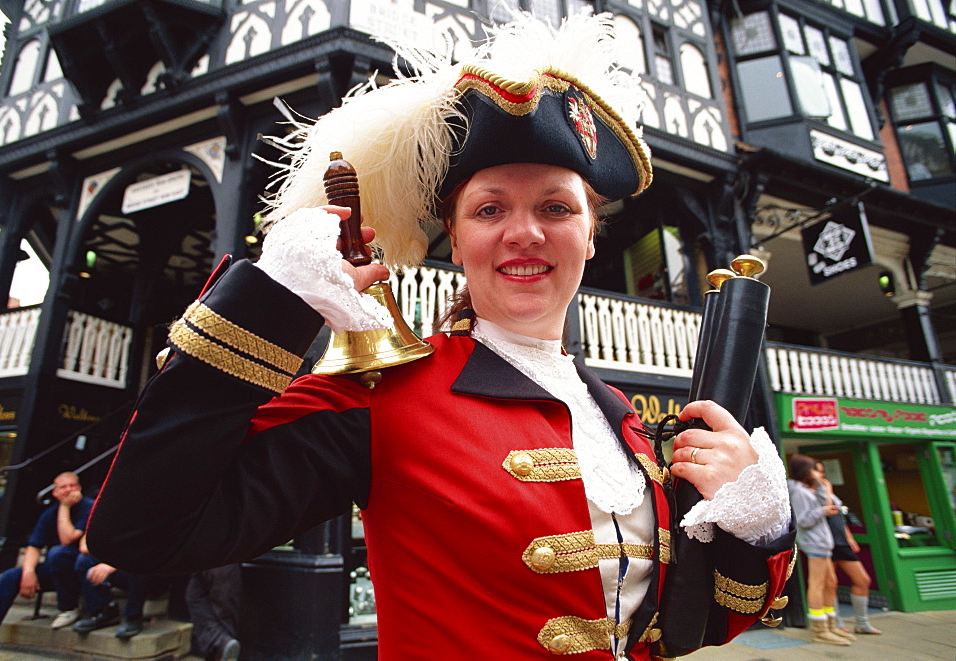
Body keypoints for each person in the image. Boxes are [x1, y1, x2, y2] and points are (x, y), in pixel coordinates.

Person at [86, 13, 795, 660]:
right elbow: (144, 532)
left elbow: (691, 625)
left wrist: (756, 520)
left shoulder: (623, 422)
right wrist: (270, 302)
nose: (525, 231)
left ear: (588, 236)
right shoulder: (383, 394)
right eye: (491, 209)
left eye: (555, 206)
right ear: (455, 241)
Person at [0, 472, 93, 660]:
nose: (69, 490)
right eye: (63, 487)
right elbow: (34, 546)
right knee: (10, 577)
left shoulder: (89, 507)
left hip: (82, 570)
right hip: (56, 570)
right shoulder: (48, 514)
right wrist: (28, 572)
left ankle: (68, 607)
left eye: (73, 486)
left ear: (79, 488)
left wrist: (64, 507)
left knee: (57, 554)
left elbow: (67, 538)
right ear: (54, 492)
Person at [787, 455, 851, 646]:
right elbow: (803, 520)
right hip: (815, 543)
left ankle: (831, 624)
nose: (820, 473)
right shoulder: (798, 492)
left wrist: (824, 487)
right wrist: (823, 511)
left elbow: (827, 502)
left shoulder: (808, 490)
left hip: (823, 542)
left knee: (831, 582)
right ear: (806, 470)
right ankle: (820, 629)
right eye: (816, 470)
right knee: (817, 584)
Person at [815, 462, 882, 635]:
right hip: (825, 541)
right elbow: (827, 508)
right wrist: (827, 489)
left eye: (822, 471)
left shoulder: (825, 490)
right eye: (817, 471)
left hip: (840, 541)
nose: (821, 475)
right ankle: (835, 621)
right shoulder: (811, 492)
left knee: (862, 580)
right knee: (830, 583)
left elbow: (838, 516)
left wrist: (849, 537)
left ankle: (862, 622)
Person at [71, 535, 151, 639]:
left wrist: (113, 564)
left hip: (154, 572)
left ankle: (133, 616)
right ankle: (103, 611)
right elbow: (84, 546)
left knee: (140, 562)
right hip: (122, 566)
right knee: (84, 561)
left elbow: (147, 548)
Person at [186, 565, 242, 661]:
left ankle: (222, 646)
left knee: (224, 615)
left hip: (223, 559)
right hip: (205, 558)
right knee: (194, 596)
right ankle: (221, 642)